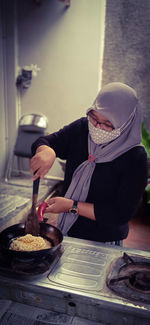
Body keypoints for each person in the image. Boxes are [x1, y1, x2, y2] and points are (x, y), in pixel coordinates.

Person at [30, 82, 148, 245]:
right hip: (67, 230)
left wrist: (71, 206)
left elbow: (120, 214)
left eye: (107, 124)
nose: (97, 128)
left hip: (103, 239)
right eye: (94, 117)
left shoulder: (135, 157)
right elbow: (45, 141)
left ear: (126, 124)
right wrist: (47, 151)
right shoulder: (82, 128)